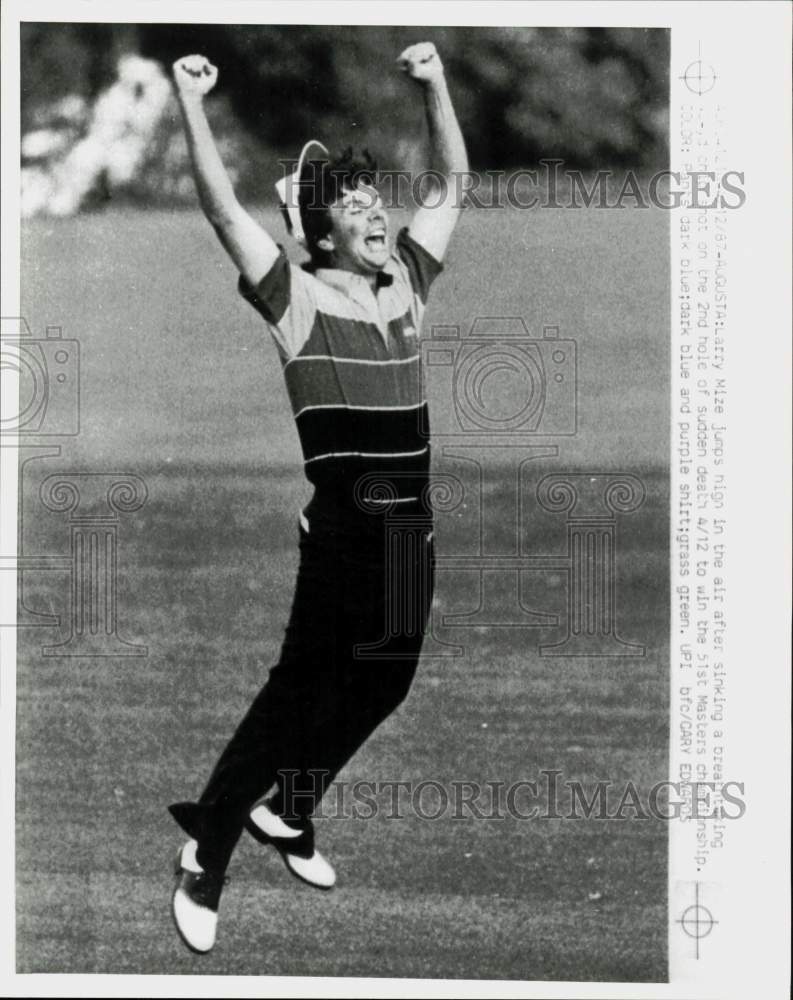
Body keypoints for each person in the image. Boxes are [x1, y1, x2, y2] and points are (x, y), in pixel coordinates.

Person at [168, 41, 468, 954]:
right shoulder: (292, 295)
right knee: (300, 692)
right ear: (319, 229)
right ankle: (208, 847)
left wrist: (435, 85)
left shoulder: (408, 279)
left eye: (377, 201)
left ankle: (290, 813)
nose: (376, 212)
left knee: (386, 677)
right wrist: (189, 102)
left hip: (409, 523)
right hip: (342, 525)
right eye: (353, 205)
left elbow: (452, 183)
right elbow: (222, 209)